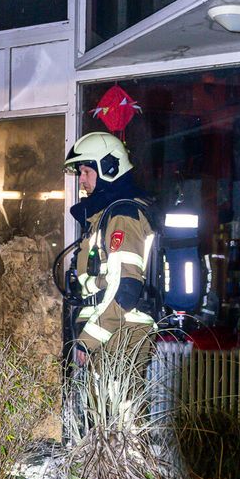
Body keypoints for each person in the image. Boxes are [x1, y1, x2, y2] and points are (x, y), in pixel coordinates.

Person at [64, 131, 157, 365]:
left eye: (86, 172)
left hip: (120, 334)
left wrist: (89, 340)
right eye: (80, 173)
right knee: (101, 403)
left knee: (118, 402)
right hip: (111, 333)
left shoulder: (122, 217)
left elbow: (125, 288)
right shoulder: (105, 217)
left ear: (109, 168)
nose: (81, 180)